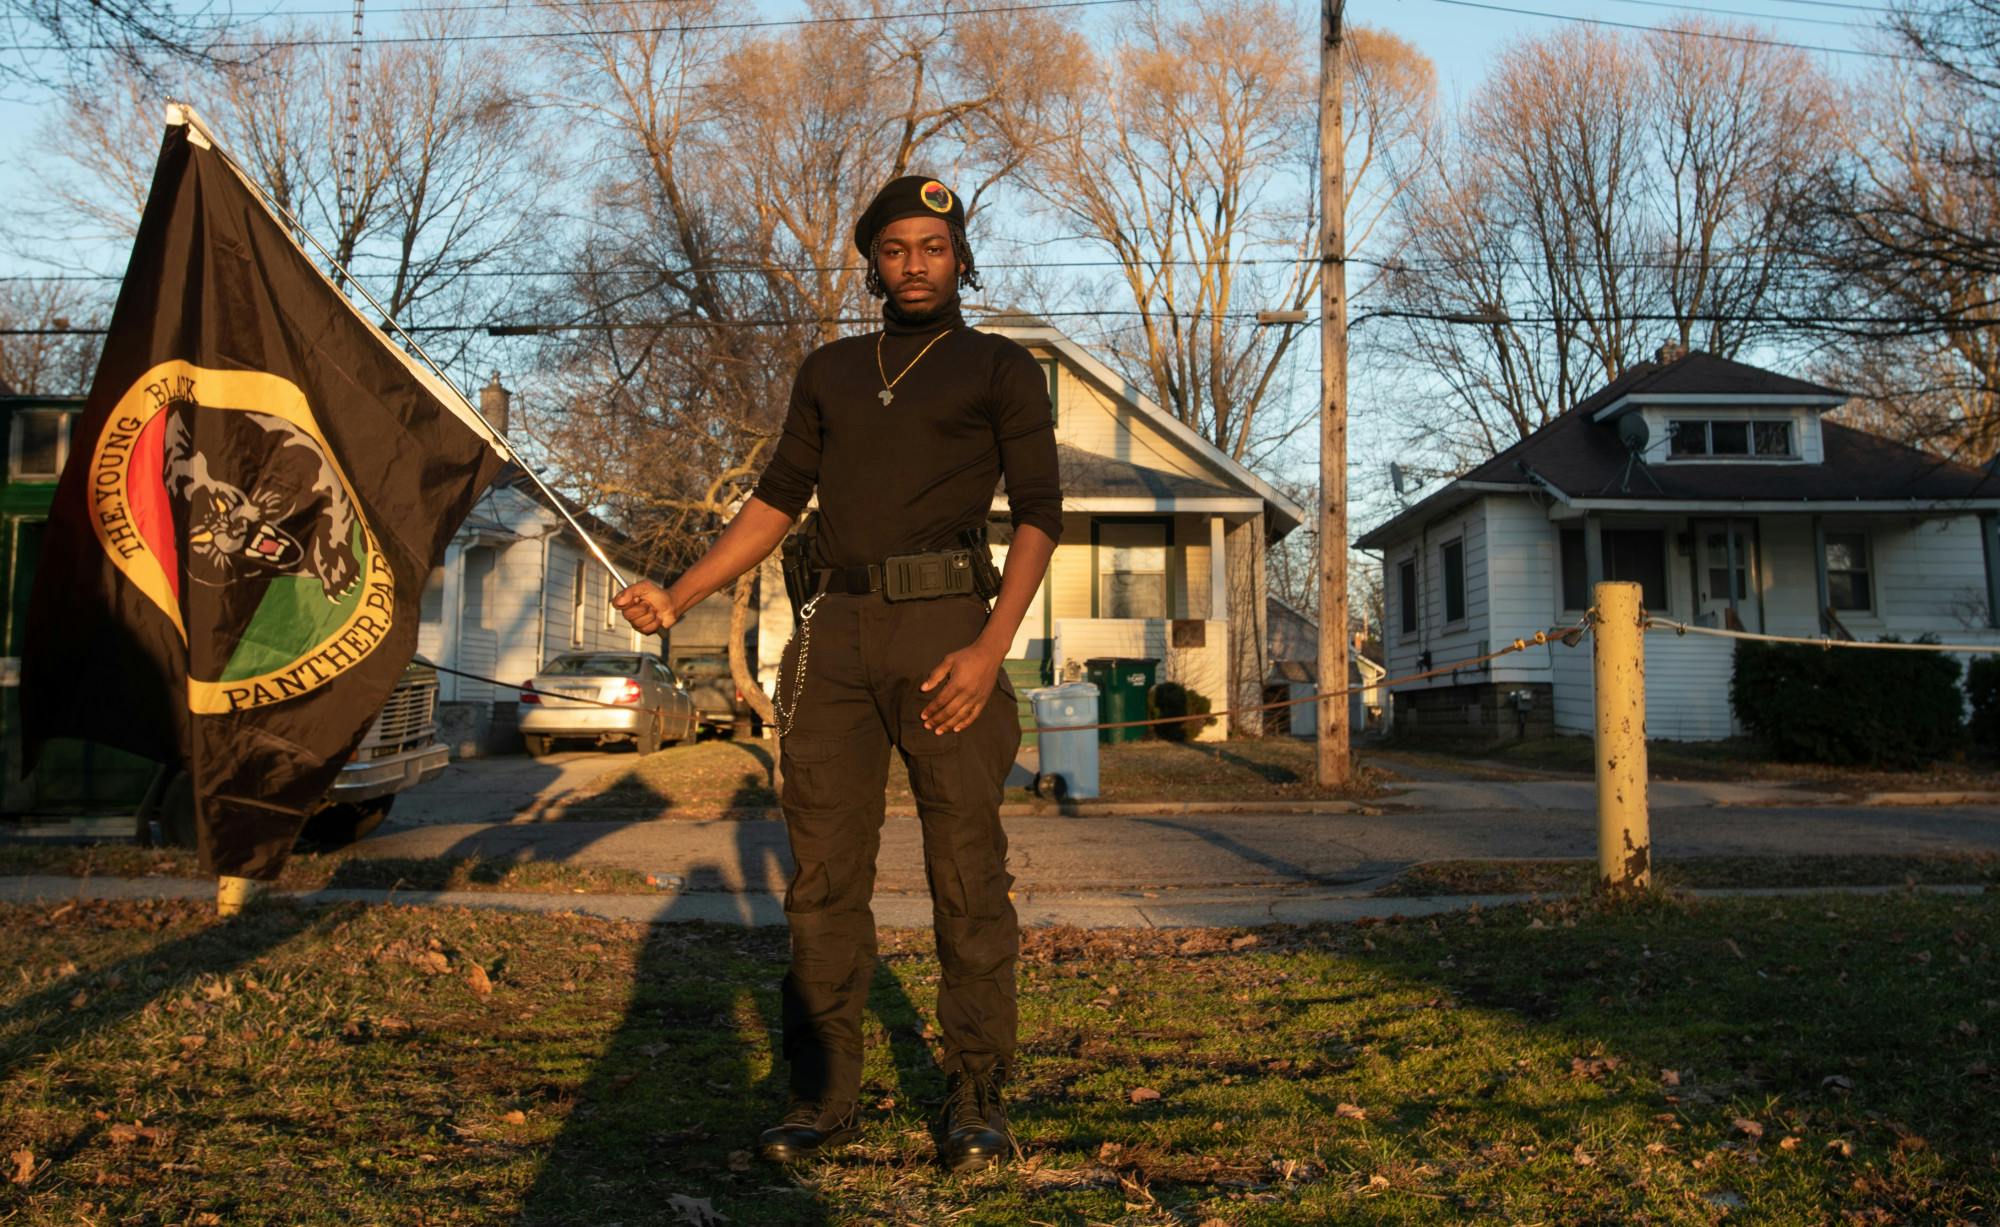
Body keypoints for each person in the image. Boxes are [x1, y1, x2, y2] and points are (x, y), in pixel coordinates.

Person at [612, 174, 1062, 1174]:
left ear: (959, 258)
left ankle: (977, 1099)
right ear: (870, 261)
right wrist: (679, 596)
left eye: (933, 247)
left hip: (949, 629)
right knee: (820, 882)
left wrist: (991, 648)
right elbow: (775, 503)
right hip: (833, 638)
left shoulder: (1000, 369)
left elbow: (1038, 512)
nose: (914, 264)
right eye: (895, 247)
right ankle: (821, 1095)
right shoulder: (829, 370)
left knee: (966, 876)